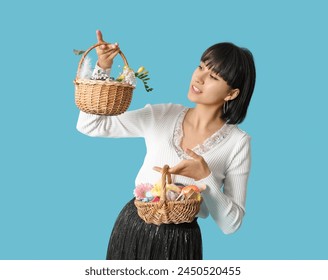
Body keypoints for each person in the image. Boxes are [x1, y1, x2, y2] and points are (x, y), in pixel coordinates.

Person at [76, 30, 256, 260]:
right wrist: (102, 69)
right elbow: (90, 124)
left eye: (214, 77)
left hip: (180, 243)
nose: (199, 78)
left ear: (231, 93)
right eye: (201, 67)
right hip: (133, 229)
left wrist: (205, 177)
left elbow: (231, 225)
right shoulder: (162, 114)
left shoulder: (237, 143)